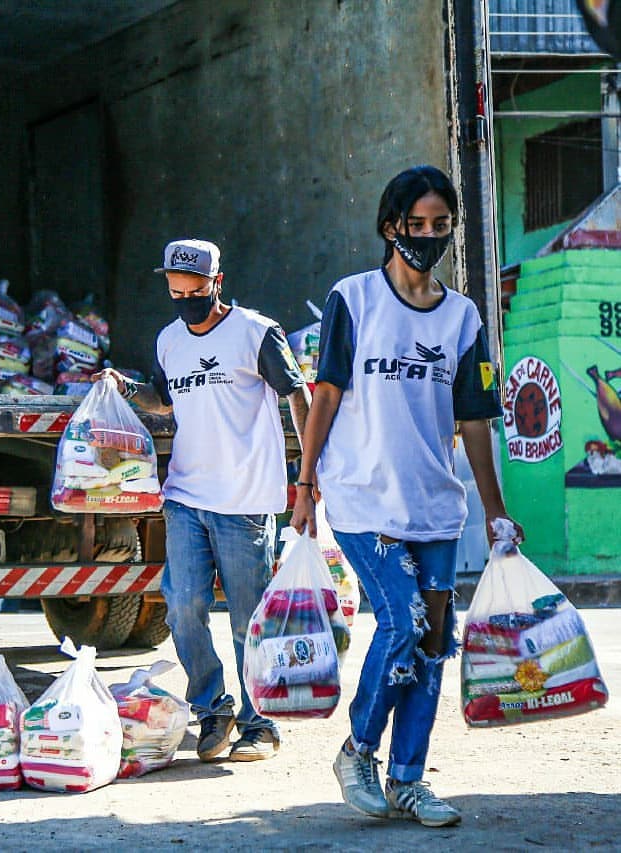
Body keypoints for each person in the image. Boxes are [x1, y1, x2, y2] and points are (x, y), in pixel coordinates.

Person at [290, 166, 524, 827]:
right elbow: (325, 395)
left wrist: (494, 506)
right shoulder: (352, 299)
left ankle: (407, 779)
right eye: (413, 225)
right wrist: (305, 484)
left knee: (430, 645)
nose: (426, 237)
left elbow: (474, 416)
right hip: (363, 497)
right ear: (389, 227)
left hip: (435, 507)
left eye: (439, 225)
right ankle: (357, 750)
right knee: (402, 622)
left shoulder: (461, 316)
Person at [95, 238, 311, 762]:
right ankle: (213, 708)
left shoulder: (256, 333)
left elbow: (298, 395)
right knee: (184, 606)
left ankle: (261, 724)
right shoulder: (170, 339)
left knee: (246, 619)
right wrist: (125, 389)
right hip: (186, 496)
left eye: (196, 290)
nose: (187, 299)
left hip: (244, 502)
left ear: (217, 282)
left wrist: (308, 475)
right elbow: (163, 400)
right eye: (177, 291)